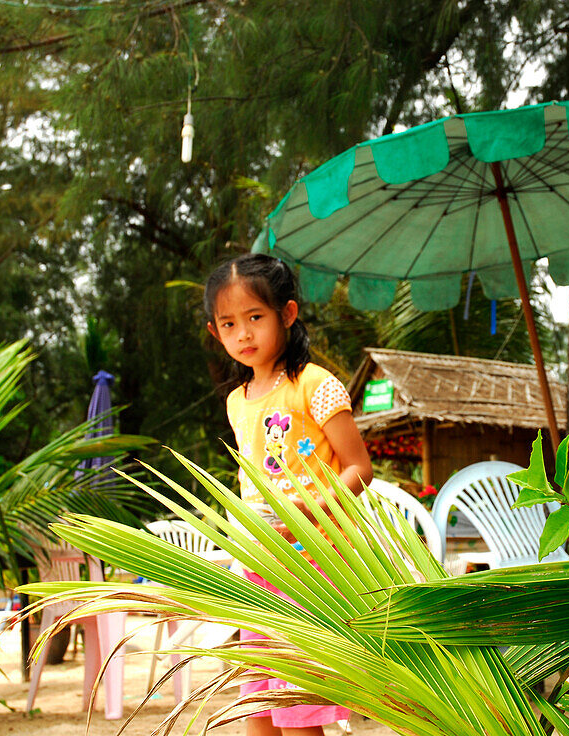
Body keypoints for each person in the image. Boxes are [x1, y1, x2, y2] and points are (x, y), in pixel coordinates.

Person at [205, 253, 372, 736]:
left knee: (297, 708)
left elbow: (361, 467)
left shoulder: (315, 385)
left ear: (288, 314)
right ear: (216, 333)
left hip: (313, 564)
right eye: (229, 323)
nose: (244, 334)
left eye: (255, 317)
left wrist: (314, 508)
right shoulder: (238, 401)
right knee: (255, 705)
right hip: (260, 564)